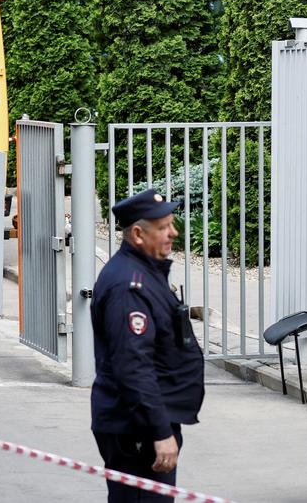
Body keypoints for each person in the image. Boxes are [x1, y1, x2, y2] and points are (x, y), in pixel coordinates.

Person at [91, 189, 204, 501]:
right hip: (136, 429)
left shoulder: (144, 272)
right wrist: (159, 431)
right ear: (138, 234)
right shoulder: (128, 287)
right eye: (164, 227)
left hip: (142, 422)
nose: (174, 233)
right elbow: (133, 367)